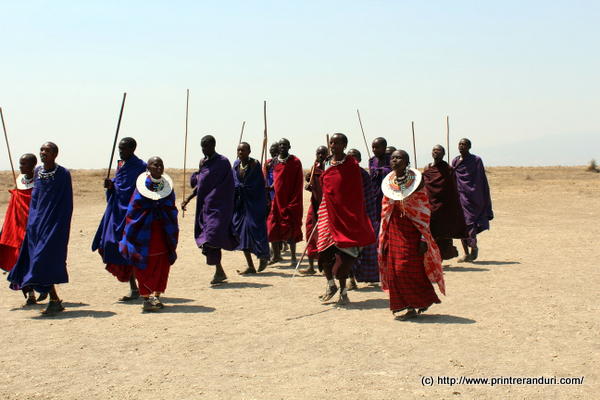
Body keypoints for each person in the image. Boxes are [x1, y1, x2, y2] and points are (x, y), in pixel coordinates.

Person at [7, 142, 73, 315]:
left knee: (42, 259)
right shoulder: (37, 172)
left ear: (55, 154)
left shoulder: (63, 174)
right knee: (35, 259)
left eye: (47, 151)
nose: (43, 153)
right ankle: (54, 300)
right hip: (37, 224)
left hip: (54, 224)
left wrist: (61, 225)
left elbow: (66, 203)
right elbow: (35, 199)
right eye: (42, 150)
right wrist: (32, 222)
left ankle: (51, 298)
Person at [379, 150, 445, 320]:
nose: (395, 160)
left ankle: (419, 301)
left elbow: (423, 209)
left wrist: (423, 237)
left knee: (409, 267)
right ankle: (408, 307)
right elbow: (386, 209)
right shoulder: (388, 182)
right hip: (394, 228)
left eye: (399, 157)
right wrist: (384, 236)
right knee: (395, 270)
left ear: (407, 161)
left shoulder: (418, 181)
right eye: (393, 157)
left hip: (413, 231)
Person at [317, 134, 375, 305]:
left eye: (337, 143)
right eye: (331, 142)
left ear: (344, 145)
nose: (333, 145)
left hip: (347, 214)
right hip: (327, 212)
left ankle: (343, 290)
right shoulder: (326, 163)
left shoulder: (352, 165)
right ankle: (330, 284)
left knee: (344, 255)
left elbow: (355, 191)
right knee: (323, 251)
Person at [119, 157, 178, 312]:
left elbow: (171, 208)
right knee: (144, 264)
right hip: (144, 233)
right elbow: (133, 210)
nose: (159, 167)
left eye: (161, 165)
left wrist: (162, 212)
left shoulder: (168, 188)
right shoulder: (140, 188)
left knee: (162, 264)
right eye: (155, 165)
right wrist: (149, 212)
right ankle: (145, 298)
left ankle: (156, 297)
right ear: (148, 168)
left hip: (163, 231)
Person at [92, 137, 147, 300]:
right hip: (116, 212)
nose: (121, 152)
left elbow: (139, 189)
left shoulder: (141, 167)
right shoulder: (121, 165)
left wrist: (116, 186)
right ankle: (133, 287)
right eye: (119, 149)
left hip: (132, 214)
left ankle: (140, 287)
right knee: (110, 244)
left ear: (132, 149)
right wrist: (111, 185)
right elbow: (119, 184)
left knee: (131, 249)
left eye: (124, 149)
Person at [181, 135, 238, 285]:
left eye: (206, 146)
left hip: (219, 206)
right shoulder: (203, 163)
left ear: (213, 145)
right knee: (207, 239)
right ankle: (219, 271)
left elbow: (229, 185)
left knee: (212, 235)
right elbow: (201, 184)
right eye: (202, 147)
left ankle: (219, 270)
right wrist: (188, 198)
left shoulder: (223, 162)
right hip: (205, 207)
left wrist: (222, 199)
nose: (204, 149)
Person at [0, 154, 42, 305]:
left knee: (37, 260)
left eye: (24, 164)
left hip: (34, 227)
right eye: (20, 163)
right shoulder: (20, 181)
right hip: (18, 229)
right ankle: (30, 294)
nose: (20, 167)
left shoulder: (40, 182)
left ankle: (48, 292)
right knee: (20, 259)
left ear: (33, 165)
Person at [451, 138, 493, 262]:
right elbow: (452, 176)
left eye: (464, 144)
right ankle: (466, 253)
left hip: (473, 197)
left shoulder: (476, 160)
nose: (461, 146)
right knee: (461, 226)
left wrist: (476, 192)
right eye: (460, 144)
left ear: (469, 147)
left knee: (470, 223)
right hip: (459, 197)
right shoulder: (455, 161)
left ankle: (473, 247)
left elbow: (480, 179)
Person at [422, 145, 467, 260]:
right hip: (430, 205)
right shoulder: (427, 168)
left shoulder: (449, 170)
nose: (436, 152)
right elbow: (424, 186)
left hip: (444, 207)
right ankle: (431, 257)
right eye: (434, 150)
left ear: (443, 154)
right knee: (431, 233)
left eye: (439, 150)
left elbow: (453, 190)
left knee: (442, 234)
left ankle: (441, 257)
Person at [233, 142, 270, 274]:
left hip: (254, 204)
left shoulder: (255, 164)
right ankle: (250, 266)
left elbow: (258, 184)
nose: (240, 152)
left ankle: (263, 255)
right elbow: (235, 182)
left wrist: (245, 188)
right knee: (241, 234)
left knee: (256, 230)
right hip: (241, 205)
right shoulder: (236, 165)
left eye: (243, 150)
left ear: (249, 151)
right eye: (239, 150)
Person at [266, 138, 303, 265]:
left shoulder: (295, 162)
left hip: (290, 201)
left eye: (285, 145)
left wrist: (294, 201)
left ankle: (293, 257)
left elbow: (298, 183)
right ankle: (276, 255)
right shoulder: (273, 162)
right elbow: (277, 181)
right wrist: (269, 187)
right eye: (280, 145)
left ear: (289, 147)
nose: (282, 147)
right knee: (272, 227)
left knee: (291, 229)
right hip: (276, 201)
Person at [346, 149, 379, 287]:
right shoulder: (343, 174)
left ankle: (365, 275)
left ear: (359, 160)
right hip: (347, 217)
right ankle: (350, 278)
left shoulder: (363, 175)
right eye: (350, 157)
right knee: (347, 249)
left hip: (364, 216)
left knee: (365, 247)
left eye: (355, 158)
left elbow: (368, 197)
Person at [299, 145, 327, 275]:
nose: (320, 156)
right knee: (310, 232)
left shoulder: (329, 169)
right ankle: (311, 267)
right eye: (318, 153)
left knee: (324, 236)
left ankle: (325, 266)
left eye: (323, 153)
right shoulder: (314, 167)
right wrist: (309, 185)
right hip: (314, 205)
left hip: (327, 208)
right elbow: (312, 184)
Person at [369, 137, 392, 220]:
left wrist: (381, 170)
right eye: (373, 147)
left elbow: (392, 173)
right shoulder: (372, 160)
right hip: (375, 192)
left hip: (388, 191)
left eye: (377, 147)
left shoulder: (391, 159)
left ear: (384, 148)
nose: (374, 150)